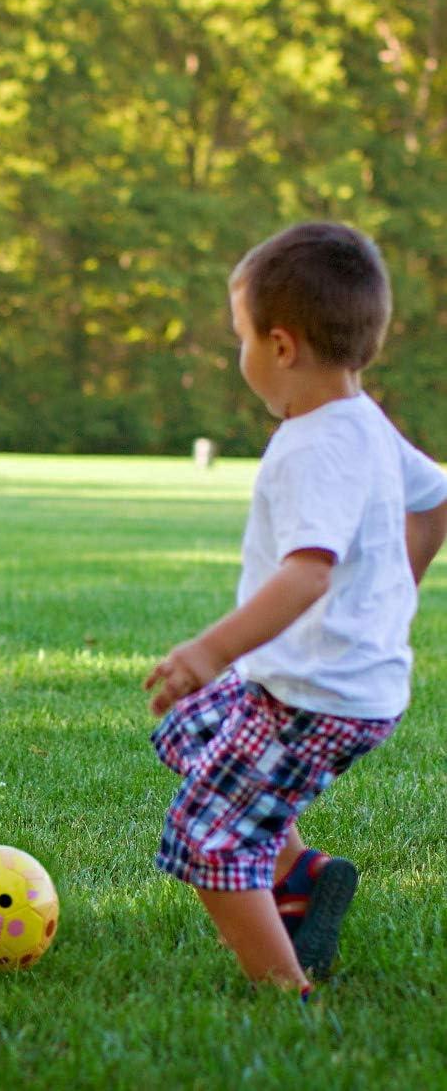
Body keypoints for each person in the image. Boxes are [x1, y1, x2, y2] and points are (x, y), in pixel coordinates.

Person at [145, 222, 447, 995]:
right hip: (329, 680)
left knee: (208, 837)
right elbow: (437, 496)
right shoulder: (364, 421)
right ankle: (300, 874)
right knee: (193, 733)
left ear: (281, 346)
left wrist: (207, 652)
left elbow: (307, 575)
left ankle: (287, 992)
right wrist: (396, 593)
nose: (238, 355)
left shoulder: (316, 444)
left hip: (316, 697)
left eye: (239, 338)